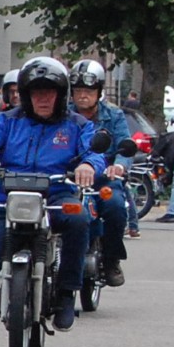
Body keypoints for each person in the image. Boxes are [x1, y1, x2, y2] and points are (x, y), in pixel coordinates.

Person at [0, 56, 103, 347]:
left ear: (61, 95)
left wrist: (88, 165)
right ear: (25, 94)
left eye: (49, 92)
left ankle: (67, 294)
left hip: (56, 193)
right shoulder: (8, 120)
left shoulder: (76, 124)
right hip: (7, 196)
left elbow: (94, 153)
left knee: (80, 219)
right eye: (36, 92)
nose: (43, 98)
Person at [67, 59, 131, 286]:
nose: (82, 96)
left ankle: (112, 259)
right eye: (78, 91)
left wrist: (119, 166)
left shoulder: (114, 115)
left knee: (115, 207)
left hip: (104, 178)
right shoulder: (64, 114)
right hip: (70, 177)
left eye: (88, 91)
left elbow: (125, 144)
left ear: (99, 92)